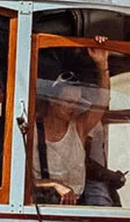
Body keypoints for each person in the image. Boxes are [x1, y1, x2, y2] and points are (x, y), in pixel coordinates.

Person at [32, 46, 110, 204]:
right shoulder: (32, 130)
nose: (73, 107)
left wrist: (102, 66)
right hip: (40, 209)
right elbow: (20, 181)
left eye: (76, 102)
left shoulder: (79, 127)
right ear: (53, 101)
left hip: (76, 207)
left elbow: (102, 102)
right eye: (68, 102)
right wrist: (53, 184)